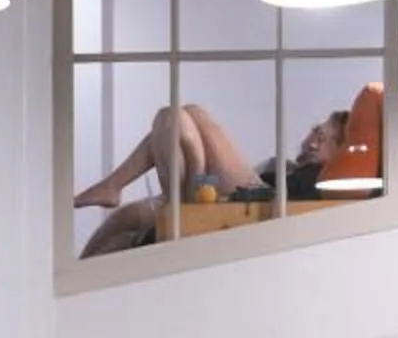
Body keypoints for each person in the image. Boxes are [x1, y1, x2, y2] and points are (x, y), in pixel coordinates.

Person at [73, 101, 351, 258]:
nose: (312, 141)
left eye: (323, 138)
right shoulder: (287, 167)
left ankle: (125, 188)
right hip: (234, 196)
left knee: (181, 117)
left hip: (256, 200)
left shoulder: (319, 179)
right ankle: (78, 271)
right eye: (315, 131)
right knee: (127, 217)